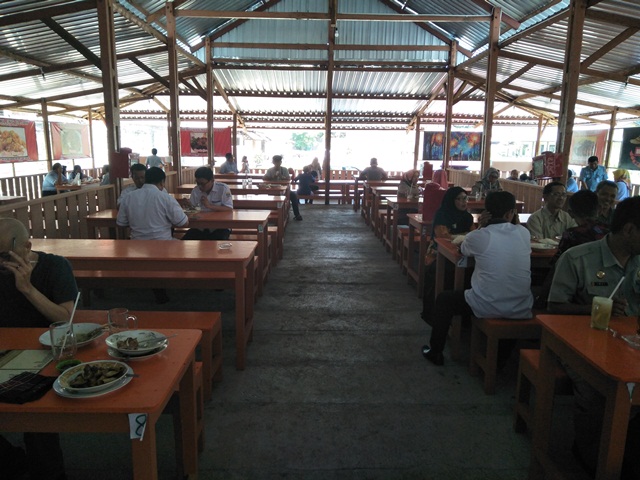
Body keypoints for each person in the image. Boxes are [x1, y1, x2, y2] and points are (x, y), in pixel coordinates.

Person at [547, 196, 640, 478]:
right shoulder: (578, 258)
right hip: (583, 344)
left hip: (631, 345)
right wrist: (594, 309)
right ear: (629, 230)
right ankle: (589, 453)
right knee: (597, 391)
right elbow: (554, 308)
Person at [0, 218, 78, 480]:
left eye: (4, 255)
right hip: (6, 352)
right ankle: (15, 462)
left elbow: (65, 318)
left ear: (26, 246)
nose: (1, 263)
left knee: (35, 412)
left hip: (49, 354)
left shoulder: (55, 267)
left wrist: (27, 289)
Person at [421, 191, 533, 366]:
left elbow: (463, 250)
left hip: (487, 304)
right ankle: (499, 359)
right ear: (511, 213)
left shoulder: (480, 235)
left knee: (444, 299)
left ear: (486, 212)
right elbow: (515, 229)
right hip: (522, 306)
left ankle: (436, 351)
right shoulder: (524, 233)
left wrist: (481, 226)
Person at [421, 187, 475, 320]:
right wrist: (464, 236)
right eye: (459, 199)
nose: (464, 202)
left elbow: (474, 235)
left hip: (462, 253)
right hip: (438, 252)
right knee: (441, 272)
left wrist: (461, 237)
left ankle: (463, 317)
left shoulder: (467, 216)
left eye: (465, 198)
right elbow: (442, 237)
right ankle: (435, 312)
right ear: (451, 200)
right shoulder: (442, 214)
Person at [117, 167, 188, 241]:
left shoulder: (128, 197)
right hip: (163, 243)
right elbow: (184, 223)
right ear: (162, 182)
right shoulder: (165, 198)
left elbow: (121, 223)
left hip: (137, 244)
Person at [180, 166, 233, 240]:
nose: (200, 186)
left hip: (220, 226)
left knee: (217, 244)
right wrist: (188, 206)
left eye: (202, 183)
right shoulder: (195, 191)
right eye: (198, 183)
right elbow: (194, 210)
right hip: (200, 226)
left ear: (212, 180)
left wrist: (210, 206)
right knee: (183, 243)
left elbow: (229, 208)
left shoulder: (223, 188)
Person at [263, 155, 302, 221]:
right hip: (272, 190)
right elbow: (264, 178)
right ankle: (271, 214)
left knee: (293, 195)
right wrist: (273, 177)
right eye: (276, 162)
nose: (277, 164)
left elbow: (288, 178)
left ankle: (297, 214)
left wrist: (281, 176)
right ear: (273, 162)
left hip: (285, 189)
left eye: (279, 162)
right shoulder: (270, 170)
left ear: (281, 162)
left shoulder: (284, 169)